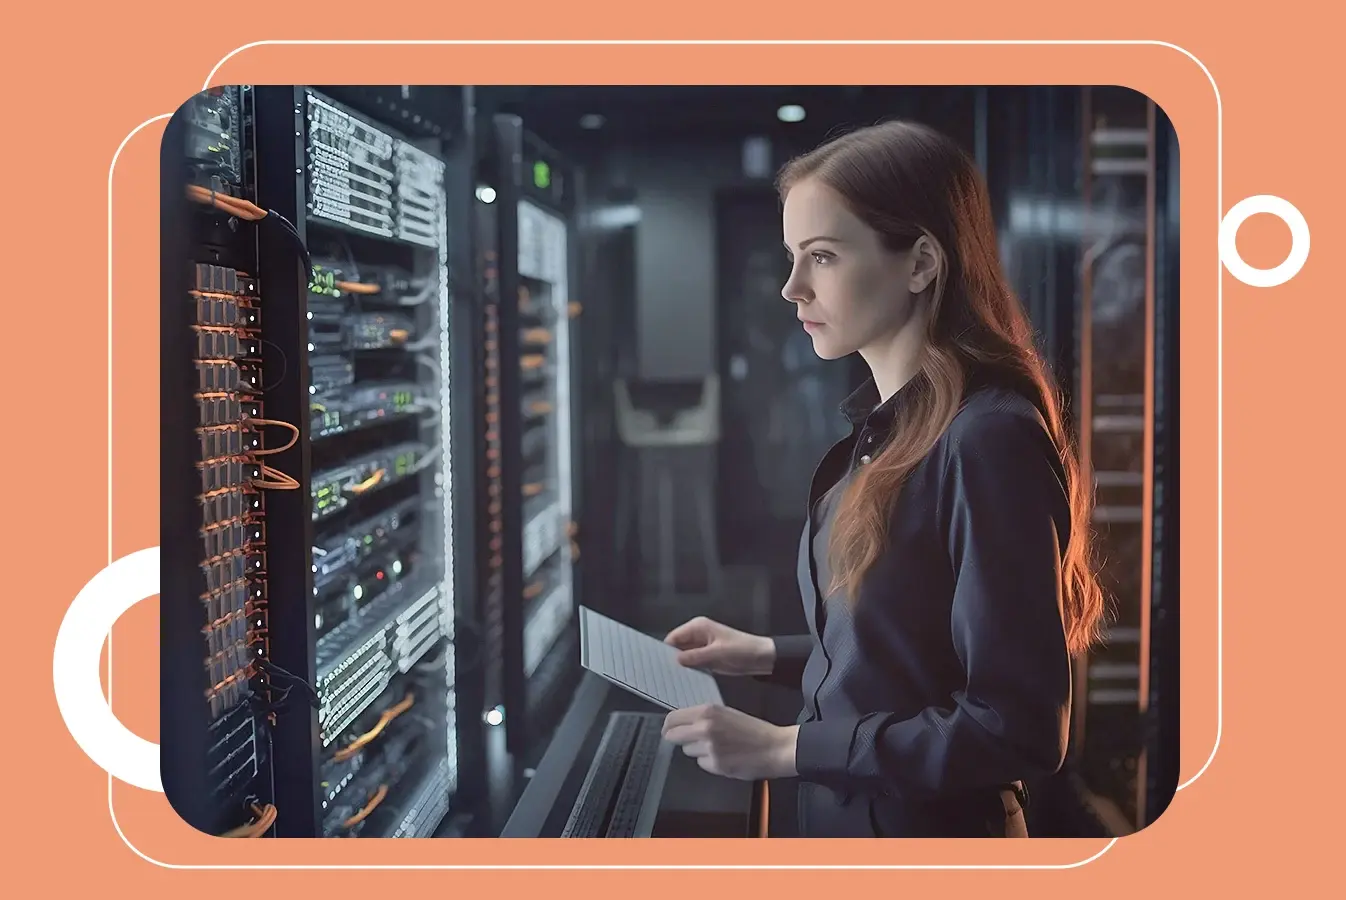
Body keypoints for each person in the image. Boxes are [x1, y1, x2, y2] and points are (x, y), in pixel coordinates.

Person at [660, 120, 1107, 838]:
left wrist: (784, 748)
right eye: (791, 257)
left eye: (823, 257)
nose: (791, 288)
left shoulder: (989, 437)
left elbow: (1019, 728)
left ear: (921, 262)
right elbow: (912, 647)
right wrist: (768, 655)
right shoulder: (894, 429)